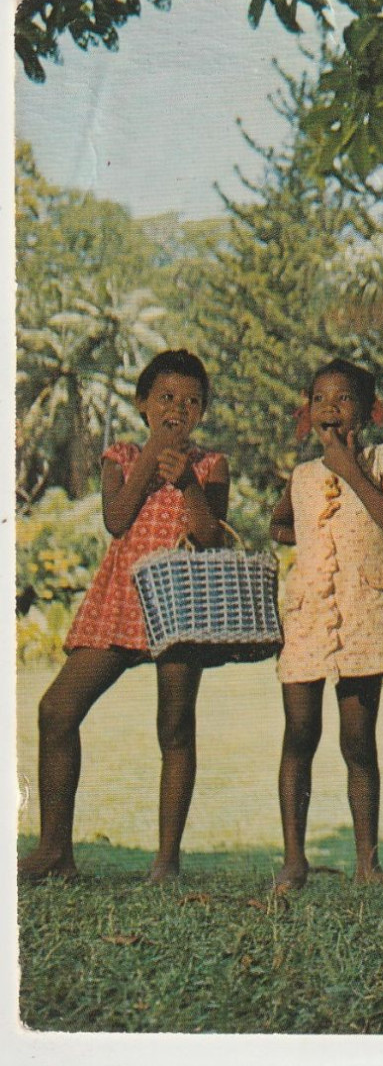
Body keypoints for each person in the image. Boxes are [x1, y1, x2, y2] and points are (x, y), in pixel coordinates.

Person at [19, 350, 229, 884]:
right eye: (165, 398)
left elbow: (209, 537)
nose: (177, 408)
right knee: (57, 710)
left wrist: (186, 481)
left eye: (190, 401)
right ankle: (55, 852)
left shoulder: (210, 466)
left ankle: (166, 863)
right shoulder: (120, 455)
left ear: (202, 411)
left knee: (176, 727)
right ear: (141, 404)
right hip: (122, 600)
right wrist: (151, 457)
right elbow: (116, 520)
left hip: (181, 602)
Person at [270, 359, 383, 894]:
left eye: (344, 399)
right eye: (320, 399)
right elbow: (279, 522)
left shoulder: (381, 458)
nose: (330, 408)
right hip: (309, 612)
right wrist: (307, 542)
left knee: (358, 740)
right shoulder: (302, 476)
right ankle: (293, 859)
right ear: (308, 411)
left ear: (369, 411)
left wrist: (349, 470)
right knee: (299, 734)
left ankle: (367, 862)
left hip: (363, 610)